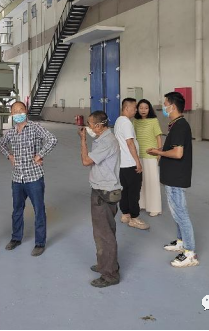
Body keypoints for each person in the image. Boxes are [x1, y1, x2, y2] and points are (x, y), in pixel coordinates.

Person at [147, 92, 199, 268]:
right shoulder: (176, 124)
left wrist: (158, 152)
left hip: (176, 177)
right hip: (172, 176)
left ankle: (190, 252)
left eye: (165, 104)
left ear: (173, 107)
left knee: (181, 213)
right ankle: (181, 241)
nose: (163, 107)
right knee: (176, 212)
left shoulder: (180, 126)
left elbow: (178, 153)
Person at [0, 102, 58, 256]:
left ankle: (40, 243)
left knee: (39, 210)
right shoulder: (11, 132)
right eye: (15, 111)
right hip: (17, 178)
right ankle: (16, 238)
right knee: (17, 210)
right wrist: (9, 156)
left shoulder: (35, 127)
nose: (18, 113)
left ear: (26, 111)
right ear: (11, 114)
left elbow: (52, 139)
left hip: (34, 177)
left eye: (21, 110)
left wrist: (40, 155)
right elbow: (1, 144)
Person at [79, 110, 121, 288]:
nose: (87, 127)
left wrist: (82, 140)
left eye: (89, 124)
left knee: (104, 234)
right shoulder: (102, 139)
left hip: (104, 192)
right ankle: (105, 263)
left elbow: (86, 161)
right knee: (104, 231)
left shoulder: (107, 142)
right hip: (102, 189)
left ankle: (110, 274)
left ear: (98, 126)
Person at [113, 98, 149, 230]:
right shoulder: (127, 123)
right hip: (130, 163)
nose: (136, 110)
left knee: (125, 190)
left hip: (122, 163)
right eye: (134, 108)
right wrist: (137, 162)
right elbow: (130, 143)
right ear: (127, 108)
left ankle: (125, 214)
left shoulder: (118, 121)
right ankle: (134, 218)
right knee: (134, 192)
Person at [133, 99, 163, 216]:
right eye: (141, 108)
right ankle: (142, 204)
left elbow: (158, 137)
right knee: (141, 181)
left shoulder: (154, 120)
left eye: (146, 108)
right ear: (137, 109)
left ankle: (155, 207)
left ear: (149, 109)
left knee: (152, 181)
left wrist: (159, 152)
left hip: (151, 155)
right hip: (139, 155)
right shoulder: (135, 121)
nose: (143, 110)